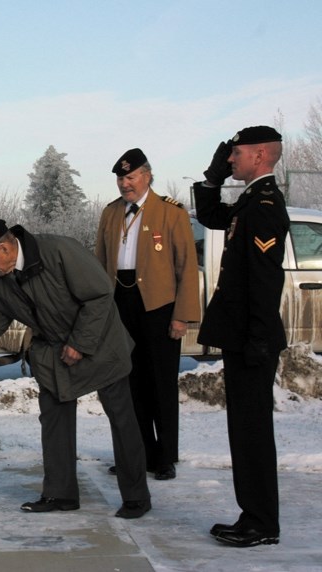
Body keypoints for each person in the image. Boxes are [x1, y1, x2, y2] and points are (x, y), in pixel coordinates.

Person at [0, 220, 151, 519]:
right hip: (53, 353)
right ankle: (60, 494)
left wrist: (80, 343)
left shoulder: (60, 250)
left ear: (4, 248)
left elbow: (99, 296)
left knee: (122, 420)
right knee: (54, 421)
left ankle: (136, 497)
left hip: (100, 344)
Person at [192, 125, 288, 547]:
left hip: (253, 337)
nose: (231, 159)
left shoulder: (265, 205)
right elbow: (213, 218)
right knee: (244, 430)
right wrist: (211, 182)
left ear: (261, 155)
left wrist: (258, 338)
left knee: (252, 432)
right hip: (244, 335)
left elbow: (265, 280)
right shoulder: (251, 200)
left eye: (236, 153)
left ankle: (262, 524)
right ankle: (253, 515)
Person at [95, 149, 200, 481]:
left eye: (131, 177)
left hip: (158, 306)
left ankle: (165, 456)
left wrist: (182, 315)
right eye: (120, 179)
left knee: (161, 383)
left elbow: (186, 267)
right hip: (121, 303)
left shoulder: (171, 212)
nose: (125, 184)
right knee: (129, 382)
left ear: (147, 176)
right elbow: (100, 264)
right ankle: (137, 453)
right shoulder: (111, 213)